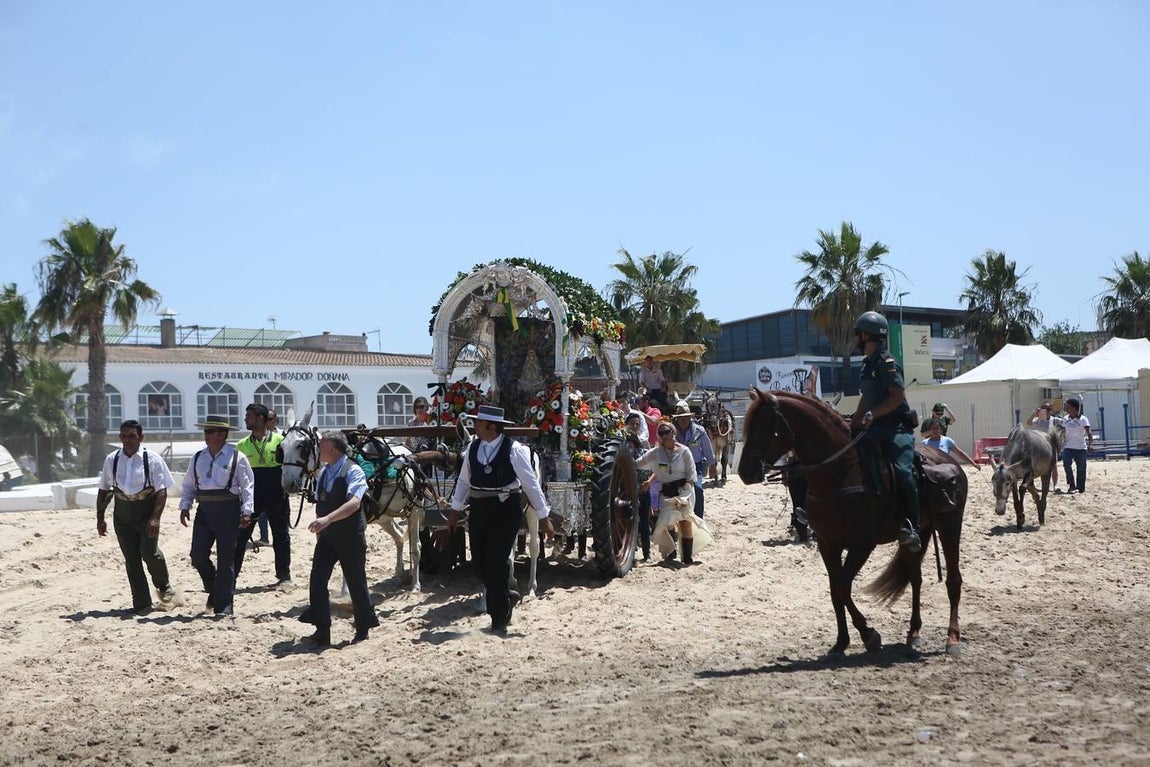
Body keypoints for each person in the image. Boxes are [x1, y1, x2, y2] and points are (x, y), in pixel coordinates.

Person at [448, 405, 555, 634]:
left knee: (496, 562)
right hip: (478, 508)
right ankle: (507, 594)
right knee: (478, 563)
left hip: (505, 508)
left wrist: (544, 516)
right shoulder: (473, 448)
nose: (475, 426)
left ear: (492, 427)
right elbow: (464, 482)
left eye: (479, 423)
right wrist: (455, 511)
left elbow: (530, 484)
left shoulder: (514, 450)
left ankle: (498, 619)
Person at [299, 430, 380, 646]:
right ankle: (322, 628)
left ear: (332, 449)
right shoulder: (325, 472)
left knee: (356, 581)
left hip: (349, 536)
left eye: (321, 445)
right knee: (317, 579)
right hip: (327, 537)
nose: (318, 449)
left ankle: (363, 628)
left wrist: (327, 519)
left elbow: (354, 504)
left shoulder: (353, 471)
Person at [851, 311, 922, 553]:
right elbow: (866, 397)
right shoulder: (867, 364)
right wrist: (856, 419)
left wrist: (873, 415)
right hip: (873, 428)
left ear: (866, 335)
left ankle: (912, 526)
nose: (857, 339)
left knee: (903, 472)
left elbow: (897, 397)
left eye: (859, 334)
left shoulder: (886, 362)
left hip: (896, 429)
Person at [95, 420, 178, 614]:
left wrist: (155, 518)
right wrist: (100, 517)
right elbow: (104, 489)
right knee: (131, 559)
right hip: (122, 514)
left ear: (141, 437)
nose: (127, 440)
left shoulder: (153, 459)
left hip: (146, 511)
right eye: (124, 436)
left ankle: (164, 586)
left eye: (132, 436)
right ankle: (141, 603)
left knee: (149, 552)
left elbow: (161, 491)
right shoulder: (112, 459)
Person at [179, 416, 255, 617]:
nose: (207, 435)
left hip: (228, 510)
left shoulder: (237, 457)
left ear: (223, 434)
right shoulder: (198, 457)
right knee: (197, 556)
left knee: (226, 560)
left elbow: (247, 486)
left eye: (211, 431)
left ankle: (224, 606)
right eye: (205, 431)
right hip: (204, 510)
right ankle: (214, 588)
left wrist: (247, 511)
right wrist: (185, 506)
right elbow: (188, 485)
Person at [636, 423, 712, 565]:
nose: (664, 436)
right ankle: (670, 552)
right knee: (666, 523)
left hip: (684, 490)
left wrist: (684, 494)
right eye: (661, 433)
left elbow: (691, 474)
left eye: (667, 432)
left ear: (673, 433)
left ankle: (687, 556)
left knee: (685, 522)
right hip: (667, 492)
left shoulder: (684, 451)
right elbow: (639, 463)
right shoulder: (656, 452)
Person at [235, 403, 292, 584]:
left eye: (249, 416)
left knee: (281, 535)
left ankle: (283, 576)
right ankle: (231, 577)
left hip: (277, 494)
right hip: (251, 495)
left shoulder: (281, 440)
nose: (245, 420)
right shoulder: (241, 445)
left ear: (260, 419)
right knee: (241, 536)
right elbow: (236, 474)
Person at [670, 401, 715, 518]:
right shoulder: (670, 432)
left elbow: (707, 449)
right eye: (680, 418)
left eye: (685, 418)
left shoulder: (699, 431)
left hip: (695, 467)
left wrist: (712, 465)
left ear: (690, 418)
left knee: (698, 489)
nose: (682, 420)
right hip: (677, 468)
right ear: (676, 419)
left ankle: (699, 517)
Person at [1061, 398, 1094, 494]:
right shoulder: (1065, 419)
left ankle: (1080, 486)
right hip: (1068, 447)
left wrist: (1090, 444)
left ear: (1074, 408)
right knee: (1066, 463)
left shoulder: (1083, 419)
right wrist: (1061, 444)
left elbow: (1089, 433)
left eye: (1068, 407)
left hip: (1080, 448)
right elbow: (1063, 432)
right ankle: (1071, 485)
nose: (1067, 409)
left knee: (1081, 468)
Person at [1027, 402, 1061, 492]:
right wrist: (1035, 413)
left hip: (1050, 444)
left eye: (1048, 409)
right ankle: (1032, 485)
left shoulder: (1054, 420)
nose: (1047, 411)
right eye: (1045, 409)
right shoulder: (1037, 420)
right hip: (1039, 445)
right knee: (1033, 465)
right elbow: (1029, 423)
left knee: (1053, 465)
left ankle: (1056, 485)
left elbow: (1065, 424)